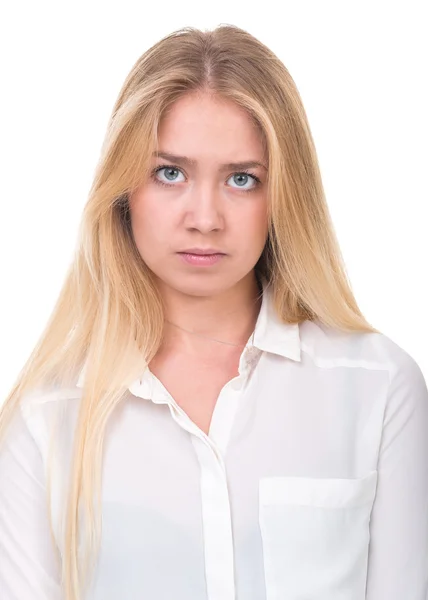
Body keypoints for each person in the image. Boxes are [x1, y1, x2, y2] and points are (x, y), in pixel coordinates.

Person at [0, 24, 427, 600]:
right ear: (124, 190)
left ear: (284, 197)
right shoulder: (46, 417)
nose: (205, 217)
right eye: (170, 172)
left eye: (242, 179)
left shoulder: (377, 386)